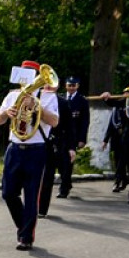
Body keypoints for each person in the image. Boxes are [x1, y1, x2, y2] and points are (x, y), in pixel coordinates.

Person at [0, 60, 58, 250]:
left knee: (31, 195)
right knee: (8, 193)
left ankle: (26, 237)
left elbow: (54, 121)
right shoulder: (12, 95)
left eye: (30, 74)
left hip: (36, 149)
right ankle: (24, 226)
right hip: (14, 148)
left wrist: (37, 107)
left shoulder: (47, 96)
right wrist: (7, 113)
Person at [38, 85, 74, 217]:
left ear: (57, 86)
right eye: (45, 83)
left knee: (47, 176)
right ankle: (30, 206)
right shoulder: (34, 98)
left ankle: (42, 209)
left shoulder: (63, 103)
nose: (48, 86)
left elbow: (69, 127)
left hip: (53, 143)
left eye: (51, 84)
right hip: (34, 142)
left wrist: (71, 147)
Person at [58, 76, 89, 198]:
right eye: (69, 85)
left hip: (73, 137)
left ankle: (64, 190)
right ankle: (67, 182)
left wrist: (82, 139)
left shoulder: (82, 101)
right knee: (60, 164)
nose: (71, 88)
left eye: (73, 85)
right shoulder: (60, 98)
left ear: (77, 86)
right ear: (65, 86)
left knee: (67, 163)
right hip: (59, 135)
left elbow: (85, 122)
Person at [102, 85, 129, 192]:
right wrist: (105, 140)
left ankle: (120, 181)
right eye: (125, 92)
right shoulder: (118, 105)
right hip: (116, 138)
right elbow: (111, 124)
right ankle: (122, 179)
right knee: (117, 160)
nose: (126, 94)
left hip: (128, 138)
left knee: (125, 161)